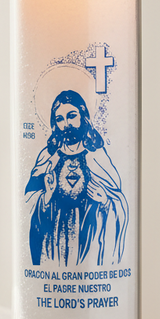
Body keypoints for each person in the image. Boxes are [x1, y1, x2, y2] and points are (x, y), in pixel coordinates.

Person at [25, 90, 128, 265]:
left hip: (89, 243)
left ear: (83, 117)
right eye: (59, 119)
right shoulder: (48, 158)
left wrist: (105, 200)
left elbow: (119, 201)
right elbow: (27, 202)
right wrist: (46, 196)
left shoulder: (97, 157)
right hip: (53, 247)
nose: (66, 124)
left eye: (71, 116)